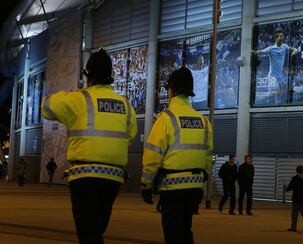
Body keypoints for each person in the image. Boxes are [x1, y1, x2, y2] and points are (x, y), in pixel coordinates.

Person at [41, 48, 137, 244]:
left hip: (84, 177)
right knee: (96, 229)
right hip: (113, 178)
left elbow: (46, 108)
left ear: (88, 76)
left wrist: (66, 94)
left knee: (88, 233)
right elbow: (130, 136)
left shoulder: (78, 99)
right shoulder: (125, 104)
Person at [140, 66, 213, 244]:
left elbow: (152, 155)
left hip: (172, 189)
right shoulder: (203, 121)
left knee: (173, 234)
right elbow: (207, 157)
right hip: (194, 188)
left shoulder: (166, 118)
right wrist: (201, 182)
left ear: (171, 91)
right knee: (186, 230)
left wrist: (146, 184)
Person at [252, 28, 299, 105]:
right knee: (277, 91)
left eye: (282, 36)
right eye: (280, 36)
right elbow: (261, 51)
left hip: (279, 75)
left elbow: (292, 48)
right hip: (272, 75)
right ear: (276, 38)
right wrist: (256, 52)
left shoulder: (284, 46)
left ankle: (275, 103)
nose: (282, 37)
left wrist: (295, 50)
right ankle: (276, 107)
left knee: (283, 91)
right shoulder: (271, 48)